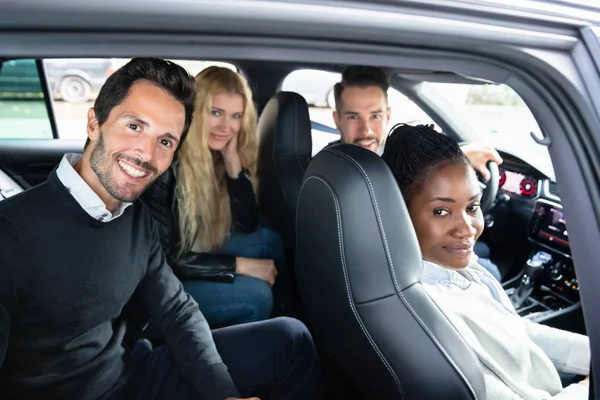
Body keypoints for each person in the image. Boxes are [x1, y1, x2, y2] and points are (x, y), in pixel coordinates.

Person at [0, 58, 322, 400]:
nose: (146, 153)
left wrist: (223, 394)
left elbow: (177, 311)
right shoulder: (11, 235)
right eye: (135, 126)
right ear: (94, 122)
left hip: (133, 368)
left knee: (290, 338)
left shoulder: (134, 216)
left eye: (166, 141)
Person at [381, 124, 590, 399]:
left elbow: (515, 331)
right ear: (398, 212)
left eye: (472, 207)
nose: (467, 229)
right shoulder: (433, 319)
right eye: (441, 211)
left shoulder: (452, 268)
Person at [328, 65, 502, 280]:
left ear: (388, 115)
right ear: (337, 120)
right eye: (354, 117)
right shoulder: (338, 178)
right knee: (491, 269)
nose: (367, 131)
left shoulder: (364, 160)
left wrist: (457, 160)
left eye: (375, 116)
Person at [142, 66, 285, 328]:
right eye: (216, 113)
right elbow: (164, 257)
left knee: (268, 242)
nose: (226, 127)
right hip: (155, 288)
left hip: (189, 257)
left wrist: (233, 164)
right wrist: (239, 265)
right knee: (257, 296)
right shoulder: (167, 164)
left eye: (235, 116)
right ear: (194, 111)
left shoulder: (214, 156)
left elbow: (247, 225)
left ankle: (282, 322)